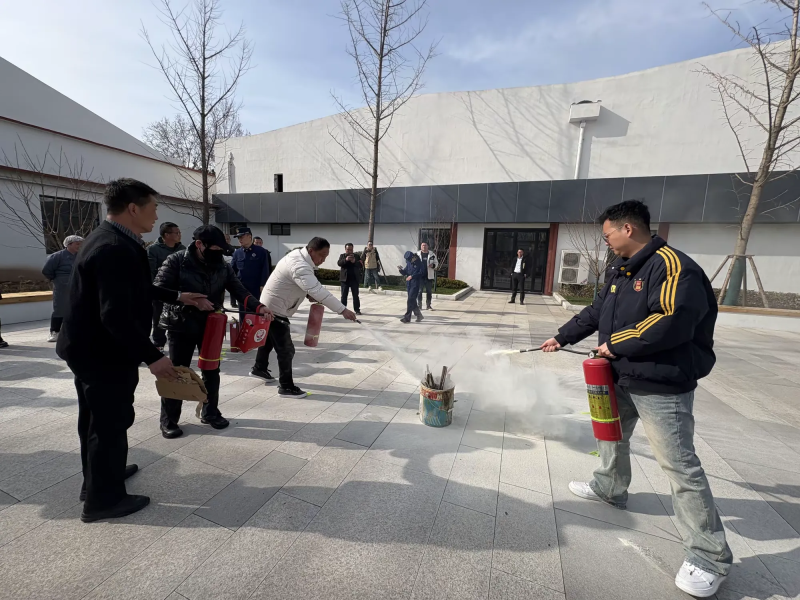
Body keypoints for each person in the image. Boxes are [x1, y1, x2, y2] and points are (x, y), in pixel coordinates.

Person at [540, 200, 732, 598]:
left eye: (607, 234)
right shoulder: (621, 268)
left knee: (679, 465)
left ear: (628, 228)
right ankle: (610, 487)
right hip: (619, 374)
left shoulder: (673, 267)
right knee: (611, 434)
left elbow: (671, 319)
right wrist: (561, 337)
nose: (606, 242)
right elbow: (597, 312)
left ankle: (709, 557)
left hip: (660, 382)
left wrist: (616, 344)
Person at [56, 178, 208, 523]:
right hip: (103, 352)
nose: (156, 216)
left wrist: (178, 296)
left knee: (95, 418)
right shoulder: (114, 247)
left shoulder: (110, 238)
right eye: (153, 208)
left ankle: (99, 479)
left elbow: (134, 288)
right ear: (133, 208)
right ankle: (103, 501)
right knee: (110, 421)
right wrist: (154, 357)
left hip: (88, 347)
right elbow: (115, 314)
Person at [154, 225, 273, 438]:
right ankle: (169, 419)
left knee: (211, 369)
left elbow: (238, 289)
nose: (219, 253)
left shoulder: (222, 265)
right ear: (200, 244)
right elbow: (158, 290)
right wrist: (189, 300)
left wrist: (259, 307)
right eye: (215, 249)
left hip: (210, 325)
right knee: (177, 371)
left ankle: (210, 412)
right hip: (180, 325)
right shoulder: (176, 261)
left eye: (221, 249)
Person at [249, 237, 357, 393]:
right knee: (287, 350)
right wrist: (343, 310)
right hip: (275, 309)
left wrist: (307, 293)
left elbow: (297, 283)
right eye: (321, 256)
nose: (323, 260)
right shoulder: (299, 265)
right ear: (311, 251)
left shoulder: (299, 257)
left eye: (326, 256)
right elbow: (318, 290)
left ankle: (259, 368)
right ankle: (286, 387)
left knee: (270, 340)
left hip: (272, 304)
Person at [147, 222, 184, 350]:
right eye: (176, 233)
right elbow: (150, 271)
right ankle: (159, 345)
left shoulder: (182, 249)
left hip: (178, 292)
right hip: (161, 291)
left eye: (179, 232)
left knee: (178, 318)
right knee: (158, 319)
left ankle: (177, 344)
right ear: (166, 235)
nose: (179, 235)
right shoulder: (153, 249)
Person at [42, 235, 84, 342]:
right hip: (62, 286)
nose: (79, 246)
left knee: (77, 308)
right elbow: (47, 270)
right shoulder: (57, 256)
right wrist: (58, 280)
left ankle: (75, 331)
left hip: (77, 285)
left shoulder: (81, 255)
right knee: (60, 308)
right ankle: (55, 331)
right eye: (77, 244)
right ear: (69, 244)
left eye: (80, 244)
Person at [232, 227, 271, 319]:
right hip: (242, 288)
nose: (240, 240)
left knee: (256, 313)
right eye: (238, 238)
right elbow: (232, 270)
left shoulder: (261, 251)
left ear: (249, 236)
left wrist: (263, 284)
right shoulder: (237, 253)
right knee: (243, 313)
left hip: (256, 288)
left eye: (242, 237)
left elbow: (265, 269)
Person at [398, 251, 424, 323]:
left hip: (415, 283)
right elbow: (406, 272)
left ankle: (407, 318)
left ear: (413, 257)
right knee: (412, 301)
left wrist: (412, 276)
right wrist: (401, 270)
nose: (408, 261)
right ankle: (419, 315)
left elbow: (421, 273)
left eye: (409, 259)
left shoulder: (419, 263)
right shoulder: (409, 263)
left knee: (410, 300)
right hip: (409, 284)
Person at [338, 243, 362, 315]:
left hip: (354, 279)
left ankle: (357, 309)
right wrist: (346, 260)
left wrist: (354, 261)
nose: (349, 251)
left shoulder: (357, 256)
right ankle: (342, 309)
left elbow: (360, 265)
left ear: (353, 249)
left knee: (355, 295)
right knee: (344, 295)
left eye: (351, 249)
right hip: (344, 279)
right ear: (345, 249)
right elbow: (339, 263)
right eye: (348, 249)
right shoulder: (342, 256)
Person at [416, 242, 439, 310]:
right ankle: (419, 305)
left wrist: (433, 265)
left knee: (429, 292)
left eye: (425, 245)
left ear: (427, 246)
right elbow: (412, 263)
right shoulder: (416, 254)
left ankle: (428, 305)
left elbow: (436, 263)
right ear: (421, 247)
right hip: (420, 277)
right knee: (419, 291)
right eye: (423, 245)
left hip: (428, 277)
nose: (424, 246)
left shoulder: (432, 254)